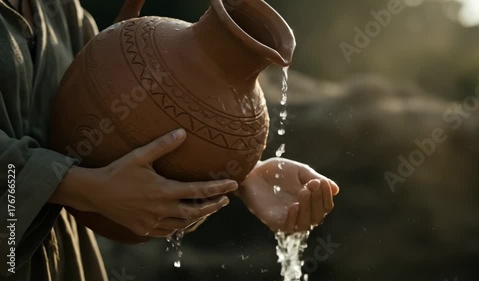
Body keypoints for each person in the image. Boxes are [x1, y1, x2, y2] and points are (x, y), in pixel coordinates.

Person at [0, 0, 340, 280]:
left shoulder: (57, 9)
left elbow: (104, 130)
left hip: (63, 259)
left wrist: (240, 175)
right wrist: (79, 187)